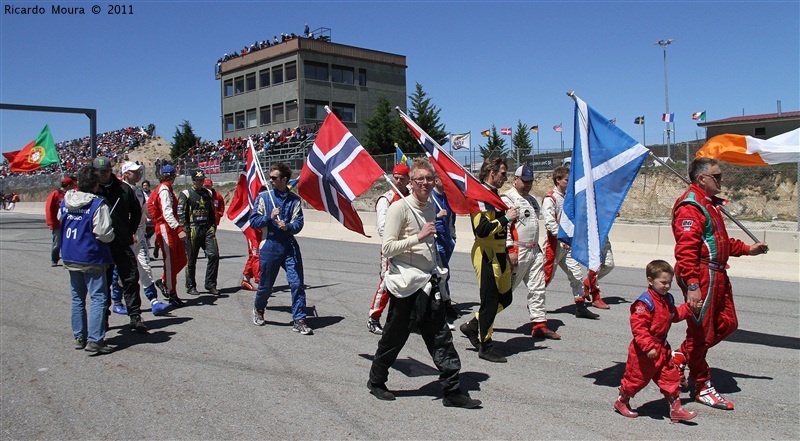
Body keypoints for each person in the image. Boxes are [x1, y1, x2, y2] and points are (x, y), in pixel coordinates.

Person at [367, 158, 481, 409]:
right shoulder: (399, 208)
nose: (426, 183)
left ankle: (452, 391)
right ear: (411, 182)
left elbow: (430, 248)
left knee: (440, 337)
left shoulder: (430, 207)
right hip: (406, 286)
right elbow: (387, 248)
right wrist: (418, 237)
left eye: (429, 179)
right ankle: (376, 381)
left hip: (428, 285)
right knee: (394, 336)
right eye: (420, 179)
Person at [670, 158, 768, 410]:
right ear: (702, 178)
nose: (722, 180)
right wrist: (693, 284)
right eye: (718, 176)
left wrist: (747, 249)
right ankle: (701, 385)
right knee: (702, 333)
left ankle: (680, 357)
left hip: (718, 273)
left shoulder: (709, 204)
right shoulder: (690, 206)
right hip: (702, 274)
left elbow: (719, 241)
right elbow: (686, 249)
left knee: (728, 324)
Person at [614, 260, 697, 423]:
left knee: (671, 378)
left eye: (669, 283)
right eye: (663, 282)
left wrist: (689, 308)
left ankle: (676, 409)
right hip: (643, 352)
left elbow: (674, 315)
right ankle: (622, 401)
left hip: (662, 348)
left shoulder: (667, 299)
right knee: (635, 380)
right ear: (650, 281)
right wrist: (648, 347)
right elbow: (639, 328)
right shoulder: (645, 303)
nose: (667, 286)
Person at [459, 157, 519, 363]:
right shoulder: (478, 196)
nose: (506, 177)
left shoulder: (494, 196)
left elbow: (502, 227)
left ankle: (473, 325)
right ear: (491, 172)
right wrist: (506, 218)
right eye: (503, 173)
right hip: (485, 253)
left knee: (506, 298)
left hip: (500, 252)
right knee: (490, 301)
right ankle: (486, 345)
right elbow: (482, 231)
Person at [249, 162, 311, 335]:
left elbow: (299, 223)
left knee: (297, 282)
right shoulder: (263, 197)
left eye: (274, 178)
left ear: (284, 180)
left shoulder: (295, 200)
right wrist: (269, 218)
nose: (270, 181)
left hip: (289, 245)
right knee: (266, 285)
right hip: (270, 245)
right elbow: (253, 221)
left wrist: (288, 227)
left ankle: (299, 319)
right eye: (270, 177)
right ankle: (259, 307)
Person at [59, 166, 115, 354]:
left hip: (70, 255)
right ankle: (95, 339)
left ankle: (79, 336)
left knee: (77, 297)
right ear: (95, 184)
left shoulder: (65, 202)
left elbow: (61, 220)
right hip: (91, 256)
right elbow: (104, 233)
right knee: (98, 297)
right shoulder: (97, 204)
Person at [502, 165, 559, 339]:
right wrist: (510, 248)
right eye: (524, 181)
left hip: (534, 250)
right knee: (504, 292)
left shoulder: (533, 200)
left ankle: (539, 325)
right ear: (515, 180)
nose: (527, 184)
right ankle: (479, 321)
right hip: (518, 251)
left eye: (530, 181)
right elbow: (505, 226)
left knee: (538, 288)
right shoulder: (508, 198)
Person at [93, 156, 146, 332]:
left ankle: (135, 316)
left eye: (106, 171)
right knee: (104, 282)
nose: (103, 174)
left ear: (111, 171)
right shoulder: (91, 190)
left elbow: (136, 212)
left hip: (122, 242)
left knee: (130, 279)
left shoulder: (124, 189)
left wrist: (129, 231)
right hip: (101, 244)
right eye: (99, 172)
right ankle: (103, 317)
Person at [541, 166, 599, 320]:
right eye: (567, 180)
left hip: (568, 245)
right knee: (546, 277)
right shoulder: (550, 198)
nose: (569, 182)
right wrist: (562, 238)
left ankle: (580, 307)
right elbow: (549, 222)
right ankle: (536, 304)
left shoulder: (568, 198)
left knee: (576, 275)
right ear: (558, 180)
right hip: (554, 245)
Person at [118, 162, 170, 316]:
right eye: (135, 172)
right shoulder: (119, 191)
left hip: (139, 237)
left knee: (146, 268)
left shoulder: (139, 192)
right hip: (126, 240)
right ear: (126, 173)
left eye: (139, 171)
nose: (139, 174)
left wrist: (156, 218)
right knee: (123, 273)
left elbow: (145, 211)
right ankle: (116, 301)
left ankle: (154, 301)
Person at [367, 164, 410, 335]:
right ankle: (374, 316)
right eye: (396, 177)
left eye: (402, 178)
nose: (398, 181)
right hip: (391, 248)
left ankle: (406, 319)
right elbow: (382, 228)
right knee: (386, 283)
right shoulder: (385, 199)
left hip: (409, 247)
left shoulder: (410, 197)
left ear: (408, 180)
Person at [147, 164, 188, 307]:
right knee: (170, 263)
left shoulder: (164, 189)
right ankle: (171, 293)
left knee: (181, 260)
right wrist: (178, 229)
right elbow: (167, 213)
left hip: (168, 226)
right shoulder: (164, 190)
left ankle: (164, 281)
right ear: (172, 176)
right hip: (165, 227)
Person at [177, 170, 220, 296]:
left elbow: (212, 211)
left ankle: (210, 284)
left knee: (214, 255)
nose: (200, 182)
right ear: (193, 180)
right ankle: (190, 286)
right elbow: (180, 213)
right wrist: (184, 229)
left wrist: (213, 226)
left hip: (206, 228)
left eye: (202, 180)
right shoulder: (186, 194)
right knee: (191, 259)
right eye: (198, 180)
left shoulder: (208, 193)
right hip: (193, 229)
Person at [432, 174, 458, 320]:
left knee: (443, 272)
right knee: (443, 273)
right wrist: (437, 216)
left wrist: (453, 238)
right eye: (443, 179)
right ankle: (445, 304)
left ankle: (441, 302)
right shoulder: (431, 197)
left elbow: (452, 218)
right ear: (436, 180)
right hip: (437, 241)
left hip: (448, 240)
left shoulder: (448, 197)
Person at [46, 176, 77, 266]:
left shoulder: (71, 194)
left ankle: (68, 258)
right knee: (57, 242)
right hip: (57, 223)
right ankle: (54, 259)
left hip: (69, 222)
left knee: (69, 242)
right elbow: (49, 208)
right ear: (68, 185)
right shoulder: (55, 194)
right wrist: (51, 222)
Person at [583, 241, 614, 309]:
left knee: (609, 265)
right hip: (592, 237)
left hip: (603, 236)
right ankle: (596, 298)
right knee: (594, 268)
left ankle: (587, 283)